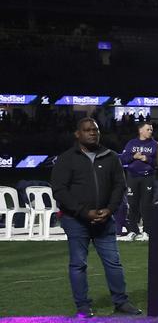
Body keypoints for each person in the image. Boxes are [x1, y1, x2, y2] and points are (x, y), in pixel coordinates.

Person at [50, 117, 144, 318]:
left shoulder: (110, 156)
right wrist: (84, 212)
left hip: (105, 219)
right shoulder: (67, 158)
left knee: (113, 262)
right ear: (78, 134)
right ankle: (83, 306)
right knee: (78, 263)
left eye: (95, 130)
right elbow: (59, 190)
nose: (92, 133)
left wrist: (110, 209)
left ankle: (121, 302)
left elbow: (120, 185)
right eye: (87, 130)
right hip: (76, 221)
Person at [119, 121, 158, 241]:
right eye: (148, 129)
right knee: (132, 204)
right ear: (140, 130)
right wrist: (133, 157)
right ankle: (133, 230)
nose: (150, 131)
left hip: (148, 177)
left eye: (151, 129)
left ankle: (146, 231)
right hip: (132, 177)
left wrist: (148, 159)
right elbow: (123, 159)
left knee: (146, 205)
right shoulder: (131, 143)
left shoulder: (155, 144)